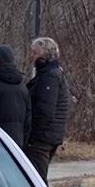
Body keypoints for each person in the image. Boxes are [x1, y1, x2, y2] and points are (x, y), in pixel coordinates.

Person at [24, 37, 69, 178]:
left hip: (42, 138)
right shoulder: (47, 74)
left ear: (46, 55)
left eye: (35, 53)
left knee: (37, 179)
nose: (31, 56)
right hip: (46, 136)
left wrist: (32, 137)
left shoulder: (50, 76)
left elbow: (44, 111)